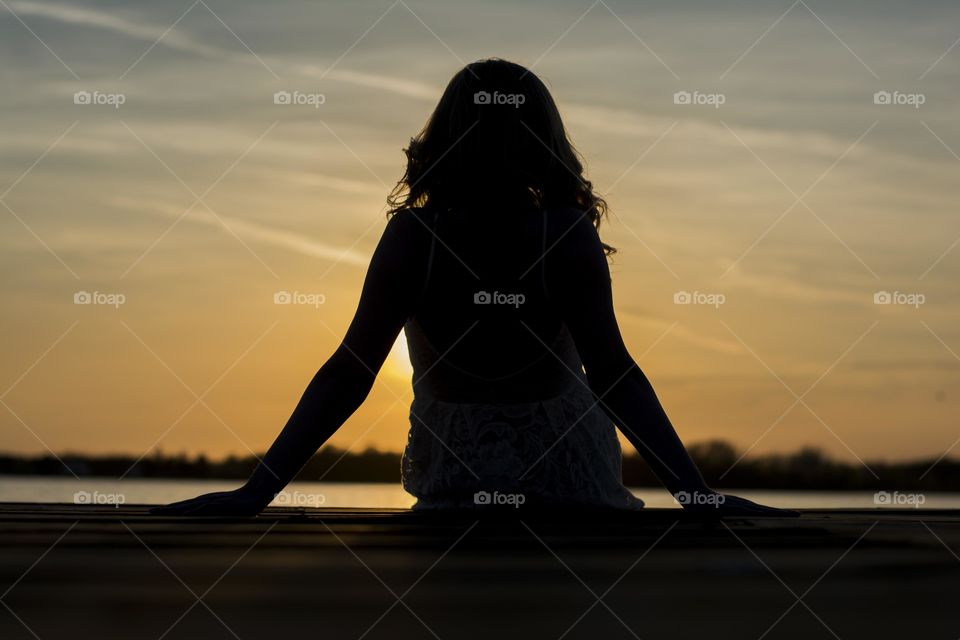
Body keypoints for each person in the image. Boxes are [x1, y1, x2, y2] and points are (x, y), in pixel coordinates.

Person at [152, 59, 794, 517]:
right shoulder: (563, 233)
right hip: (567, 478)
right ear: (544, 140)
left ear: (443, 138)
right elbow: (614, 373)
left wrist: (256, 491)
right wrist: (692, 493)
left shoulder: (413, 237)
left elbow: (351, 371)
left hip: (454, 475)